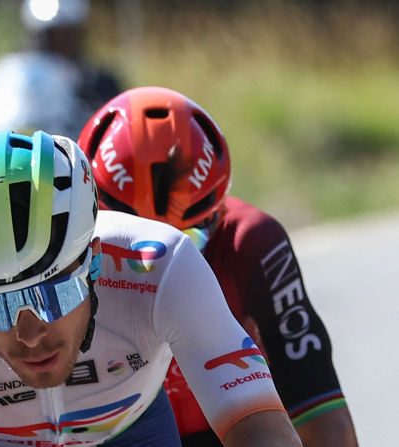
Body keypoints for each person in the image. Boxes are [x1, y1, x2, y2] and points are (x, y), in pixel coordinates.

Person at [0, 130, 302, 446]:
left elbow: (258, 424)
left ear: (93, 262)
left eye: (51, 294)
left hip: (125, 428)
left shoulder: (159, 266)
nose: (30, 334)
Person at [77, 86, 359, 446]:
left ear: (217, 210)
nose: (159, 263)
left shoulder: (253, 242)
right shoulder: (64, 256)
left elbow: (324, 415)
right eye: (125, 246)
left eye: (189, 239)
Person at [0, 0, 121, 139]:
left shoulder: (98, 82)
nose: (62, 42)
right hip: (14, 155)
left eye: (67, 34)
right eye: (53, 34)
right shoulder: (11, 71)